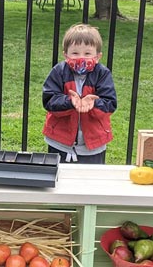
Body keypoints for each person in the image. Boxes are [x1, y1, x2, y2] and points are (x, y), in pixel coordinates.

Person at [42, 24, 117, 164]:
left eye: (87, 54)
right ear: (65, 55)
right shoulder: (58, 72)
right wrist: (70, 102)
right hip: (60, 142)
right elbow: (49, 100)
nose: (81, 58)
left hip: (93, 145)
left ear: (97, 56)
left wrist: (94, 103)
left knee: (90, 183)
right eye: (75, 53)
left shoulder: (103, 74)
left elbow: (110, 104)